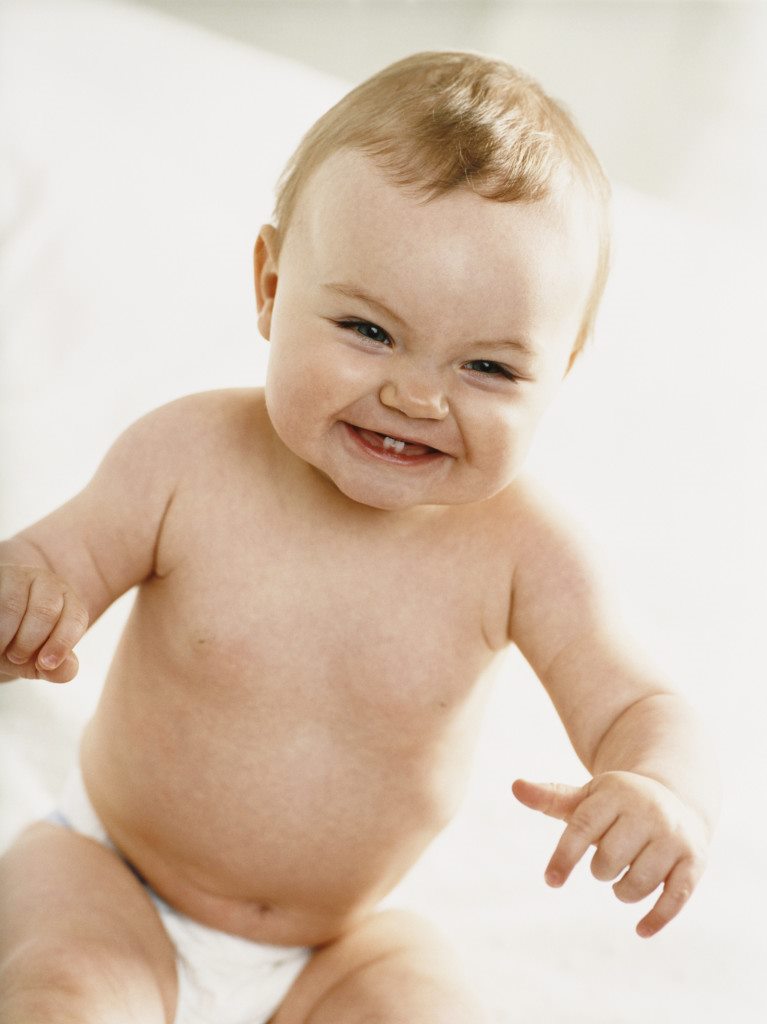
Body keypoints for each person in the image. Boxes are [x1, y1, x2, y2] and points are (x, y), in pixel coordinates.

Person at [0, 51, 718, 1024]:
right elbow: (52, 563)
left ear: (563, 366)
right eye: (368, 330)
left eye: (487, 368)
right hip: (109, 871)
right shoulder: (185, 458)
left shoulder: (523, 550)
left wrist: (660, 787)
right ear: (270, 285)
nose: (416, 396)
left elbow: (639, 701)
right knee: (61, 996)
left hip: (338, 941)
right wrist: (25, 596)